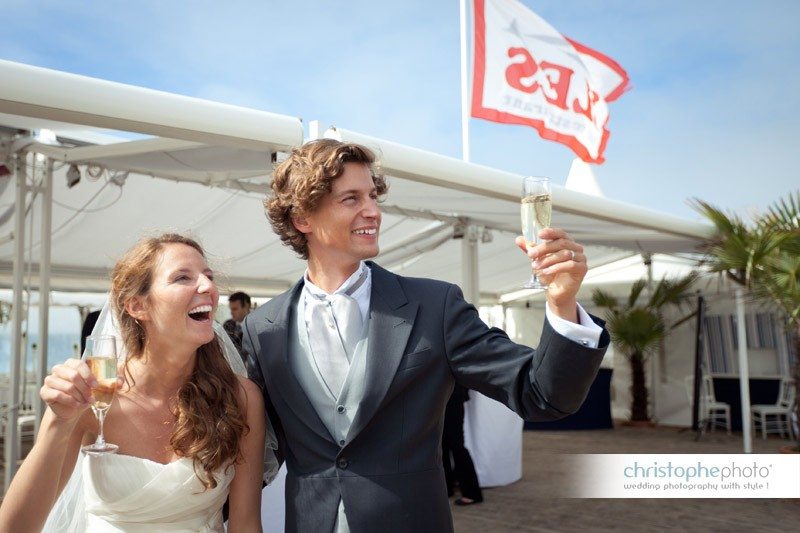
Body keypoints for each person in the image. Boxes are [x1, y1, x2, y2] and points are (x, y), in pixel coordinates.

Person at [243, 139, 609, 532]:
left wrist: (563, 303)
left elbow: (541, 395)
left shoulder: (435, 305)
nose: (373, 211)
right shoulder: (262, 328)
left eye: (372, 195)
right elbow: (257, 449)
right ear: (302, 218)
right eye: (351, 199)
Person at [0, 234, 266, 532]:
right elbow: (15, 527)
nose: (208, 287)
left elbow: (245, 523)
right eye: (182, 277)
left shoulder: (241, 397)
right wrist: (58, 423)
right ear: (138, 306)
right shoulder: (91, 392)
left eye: (208, 276)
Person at [441, 384, 483, 506]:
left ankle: (472, 493)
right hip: (444, 398)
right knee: (443, 446)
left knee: (456, 445)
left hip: (451, 397)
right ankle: (447, 488)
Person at [223, 291, 252, 361]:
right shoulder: (227, 325)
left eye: (235, 309)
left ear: (246, 306)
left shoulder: (256, 327)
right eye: (231, 309)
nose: (231, 312)